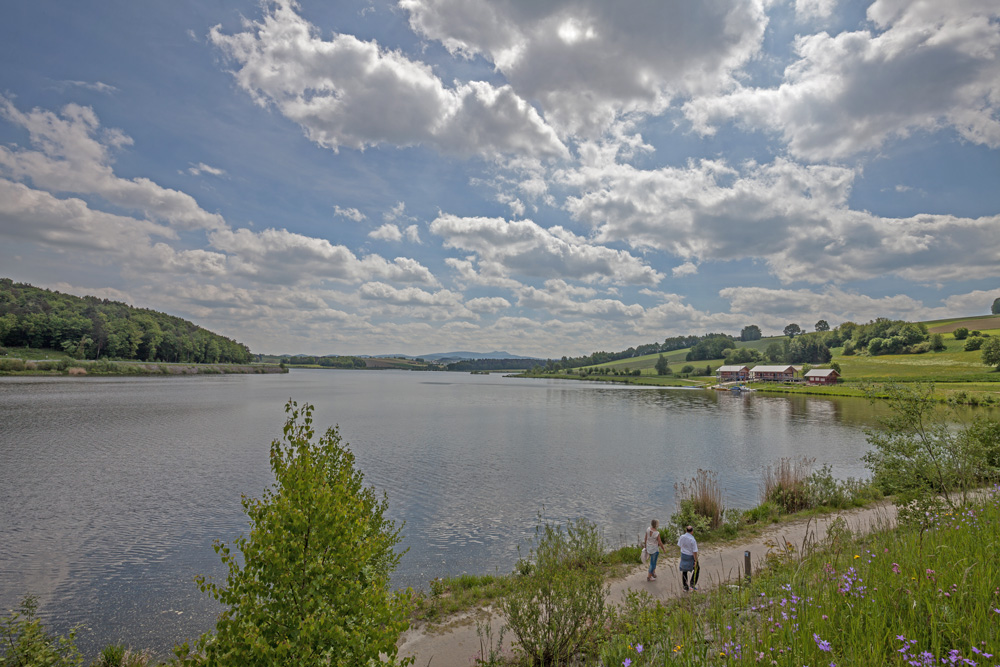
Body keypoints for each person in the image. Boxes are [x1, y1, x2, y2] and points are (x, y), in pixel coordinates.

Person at [677, 524, 700, 591]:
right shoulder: (692, 540)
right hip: (690, 556)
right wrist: (695, 560)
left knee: (684, 571)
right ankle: (692, 585)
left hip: (683, 555)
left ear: (686, 530)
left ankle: (685, 587)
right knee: (697, 569)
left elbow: (680, 545)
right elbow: (695, 551)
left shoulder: (682, 537)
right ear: (692, 531)